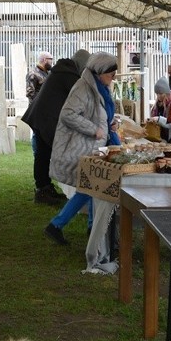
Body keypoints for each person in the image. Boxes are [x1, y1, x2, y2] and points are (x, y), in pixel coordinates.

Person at [45, 52, 120, 246]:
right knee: (91, 188)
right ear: (101, 71)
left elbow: (101, 113)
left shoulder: (100, 87)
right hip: (83, 147)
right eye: (111, 74)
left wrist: (111, 123)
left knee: (92, 188)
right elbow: (68, 114)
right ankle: (61, 225)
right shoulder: (82, 88)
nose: (112, 79)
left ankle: (84, 228)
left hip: (95, 147)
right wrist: (94, 129)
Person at [21, 49, 90, 205]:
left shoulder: (64, 69)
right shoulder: (68, 74)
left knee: (43, 154)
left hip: (42, 115)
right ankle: (43, 190)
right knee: (43, 154)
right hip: (44, 117)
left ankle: (44, 188)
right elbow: (80, 98)